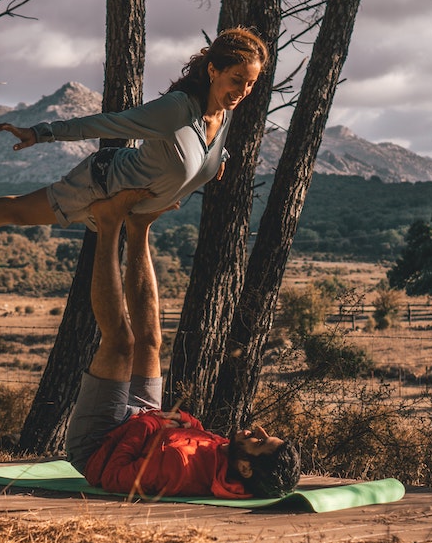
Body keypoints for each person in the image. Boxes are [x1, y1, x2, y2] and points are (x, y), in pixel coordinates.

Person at [0, 26, 269, 277]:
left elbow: (205, 146)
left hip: (126, 207)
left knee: (15, 213)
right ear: (212, 70)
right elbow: (106, 124)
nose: (242, 90)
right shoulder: (175, 109)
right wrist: (39, 132)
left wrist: (218, 159)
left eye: (250, 83)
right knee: (14, 210)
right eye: (236, 79)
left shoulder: (225, 112)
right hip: (101, 183)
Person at [65, 192, 300, 499]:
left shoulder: (180, 468)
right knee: (150, 342)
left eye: (260, 442)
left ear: (245, 468)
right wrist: (181, 420)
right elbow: (190, 432)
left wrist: (149, 424)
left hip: (99, 441)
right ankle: (138, 228)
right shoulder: (226, 454)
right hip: (143, 421)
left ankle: (107, 225)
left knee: (122, 343)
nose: (257, 431)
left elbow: (109, 476)